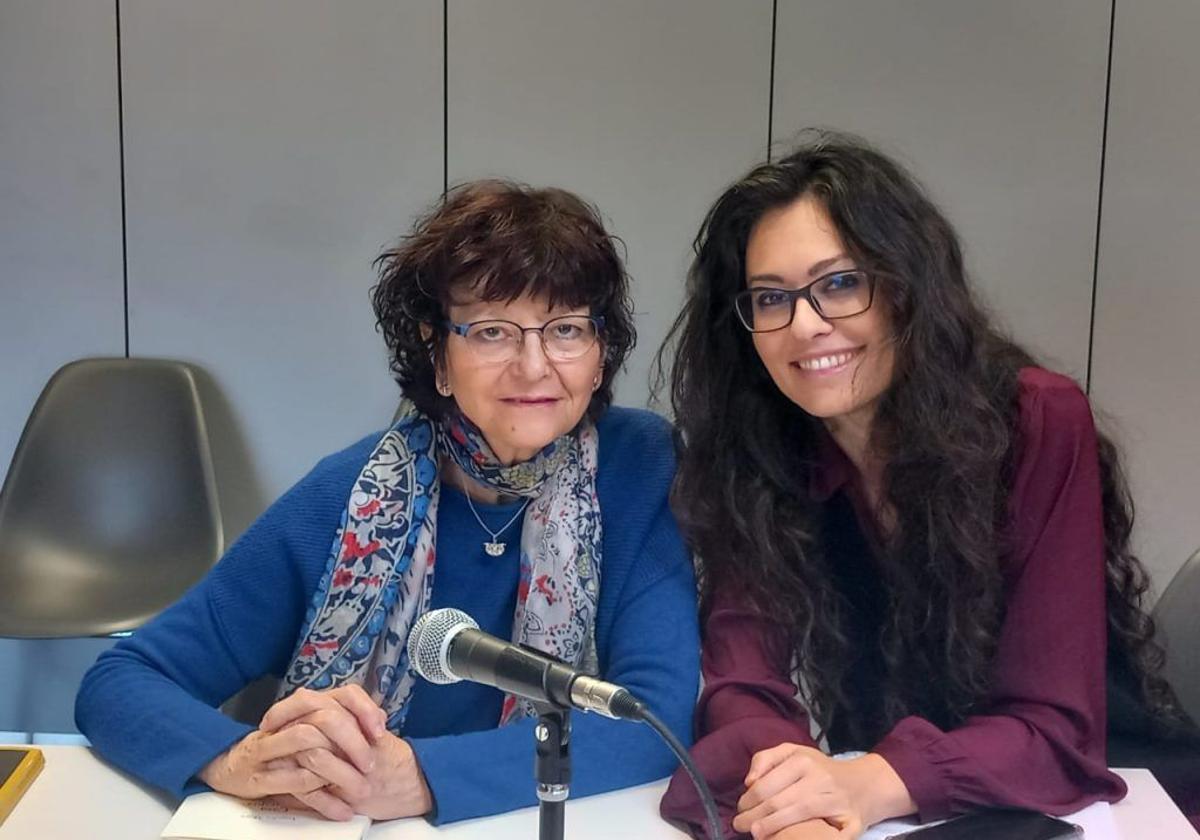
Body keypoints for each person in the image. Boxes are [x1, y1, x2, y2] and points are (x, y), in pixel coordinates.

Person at [76, 180, 700, 825]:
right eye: (491, 332)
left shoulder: (636, 466)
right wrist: (235, 756)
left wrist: (424, 778)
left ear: (600, 357)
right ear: (438, 355)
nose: (535, 365)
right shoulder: (346, 496)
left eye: (566, 329)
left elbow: (654, 716)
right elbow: (122, 681)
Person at [656, 132, 1198, 839]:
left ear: (906, 289)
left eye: (841, 283)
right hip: (892, 811)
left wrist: (869, 784)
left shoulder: (1034, 420)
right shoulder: (761, 454)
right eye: (770, 298)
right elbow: (742, 686)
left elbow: (1052, 723)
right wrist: (792, 801)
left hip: (1093, 798)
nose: (806, 325)